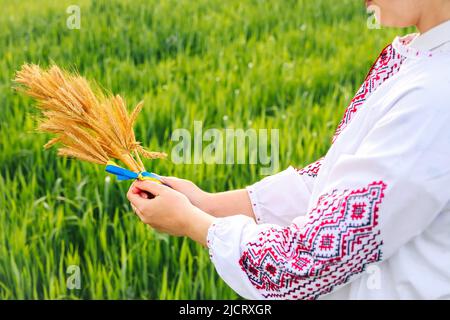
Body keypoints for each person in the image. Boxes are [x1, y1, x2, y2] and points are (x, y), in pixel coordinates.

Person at [127, 0, 450, 299]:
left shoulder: (434, 99)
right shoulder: (422, 55)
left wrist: (191, 221)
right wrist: (207, 204)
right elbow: (337, 184)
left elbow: (306, 262)